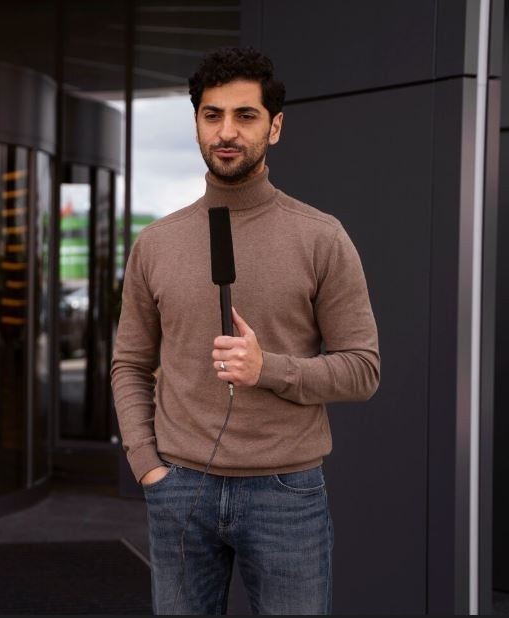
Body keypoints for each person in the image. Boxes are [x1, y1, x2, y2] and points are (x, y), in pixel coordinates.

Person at [111, 46, 380, 615]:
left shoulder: (321, 237)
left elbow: (363, 369)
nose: (226, 131)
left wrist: (269, 369)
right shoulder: (156, 244)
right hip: (179, 487)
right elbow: (130, 363)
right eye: (212, 115)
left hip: (287, 493)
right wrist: (147, 465)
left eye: (245, 115)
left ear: (275, 126)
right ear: (197, 124)